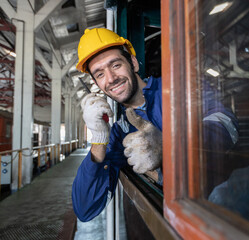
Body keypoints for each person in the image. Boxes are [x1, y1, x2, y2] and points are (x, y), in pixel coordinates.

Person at [72, 28, 239, 222]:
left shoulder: (180, 87)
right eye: (100, 74)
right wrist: (99, 141)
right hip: (174, 222)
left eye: (115, 65)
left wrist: (170, 146)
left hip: (226, 211)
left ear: (133, 63)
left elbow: (228, 125)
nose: (111, 78)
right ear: (96, 83)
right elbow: (85, 208)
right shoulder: (119, 133)